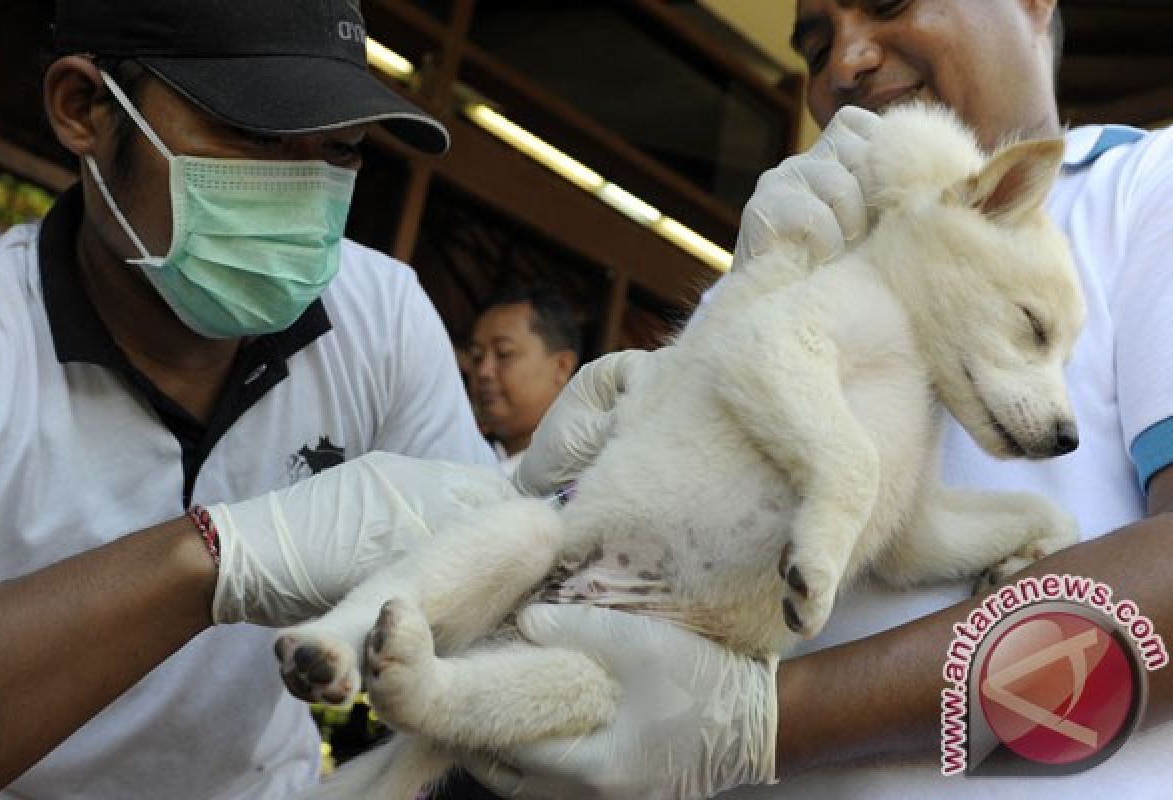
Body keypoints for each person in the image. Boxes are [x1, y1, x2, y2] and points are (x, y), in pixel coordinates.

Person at [467, 1, 1173, 798]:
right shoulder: (793, 253)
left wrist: (769, 721)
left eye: (890, 2)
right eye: (812, 45)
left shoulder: (1147, 189)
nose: (845, 63)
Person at [0, 1, 531, 797]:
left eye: (339, 148)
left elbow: (484, 613)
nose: (302, 193)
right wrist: (208, 559)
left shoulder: (378, 318)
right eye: (256, 136)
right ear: (84, 109)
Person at [467, 284, 580, 477]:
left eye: (504, 353)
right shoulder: (456, 456)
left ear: (562, 367)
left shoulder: (586, 478)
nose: (483, 371)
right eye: (477, 357)